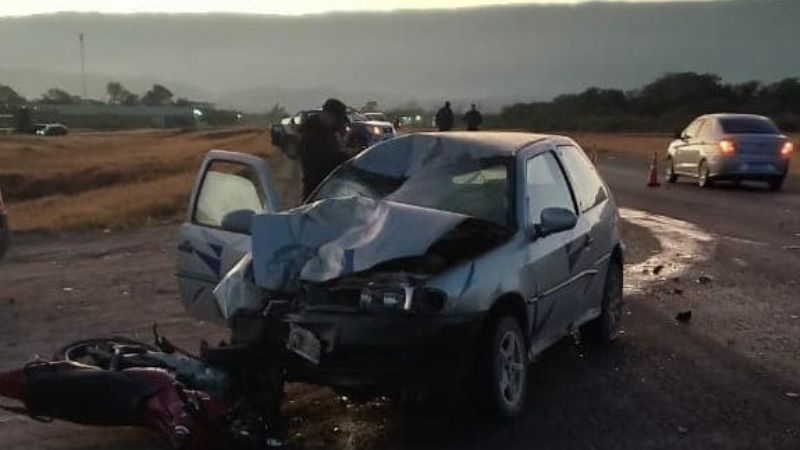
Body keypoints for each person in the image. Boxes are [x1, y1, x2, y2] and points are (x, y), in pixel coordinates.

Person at [298, 98, 351, 200]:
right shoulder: (313, 134)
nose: (339, 124)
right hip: (317, 190)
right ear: (329, 116)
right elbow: (324, 161)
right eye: (338, 119)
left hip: (324, 189)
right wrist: (346, 156)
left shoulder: (325, 131)